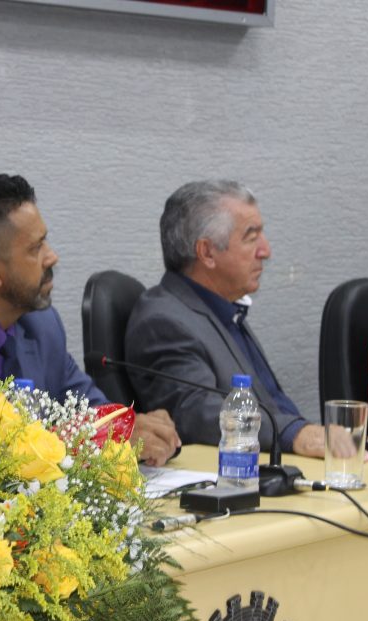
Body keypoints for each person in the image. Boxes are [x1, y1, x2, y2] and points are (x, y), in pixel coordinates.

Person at [0, 174, 180, 466]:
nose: (52, 257)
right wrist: (96, 437)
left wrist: (129, 428)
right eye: (35, 248)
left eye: (45, 241)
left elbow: (93, 412)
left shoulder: (41, 324)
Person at [124, 180, 325, 457]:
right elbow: (198, 415)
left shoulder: (222, 310)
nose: (266, 251)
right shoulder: (163, 322)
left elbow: (271, 404)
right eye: (251, 237)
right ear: (207, 252)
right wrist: (293, 433)